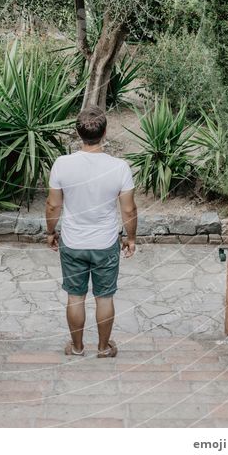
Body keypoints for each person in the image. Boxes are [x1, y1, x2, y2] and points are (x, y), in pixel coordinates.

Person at [46, 105, 138, 358]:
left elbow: (53, 204)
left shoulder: (62, 164)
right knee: (104, 297)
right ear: (105, 132)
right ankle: (103, 348)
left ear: (78, 134)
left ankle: (76, 348)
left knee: (75, 297)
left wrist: (50, 232)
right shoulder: (119, 167)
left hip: (73, 242)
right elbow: (129, 210)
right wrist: (130, 238)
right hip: (105, 243)